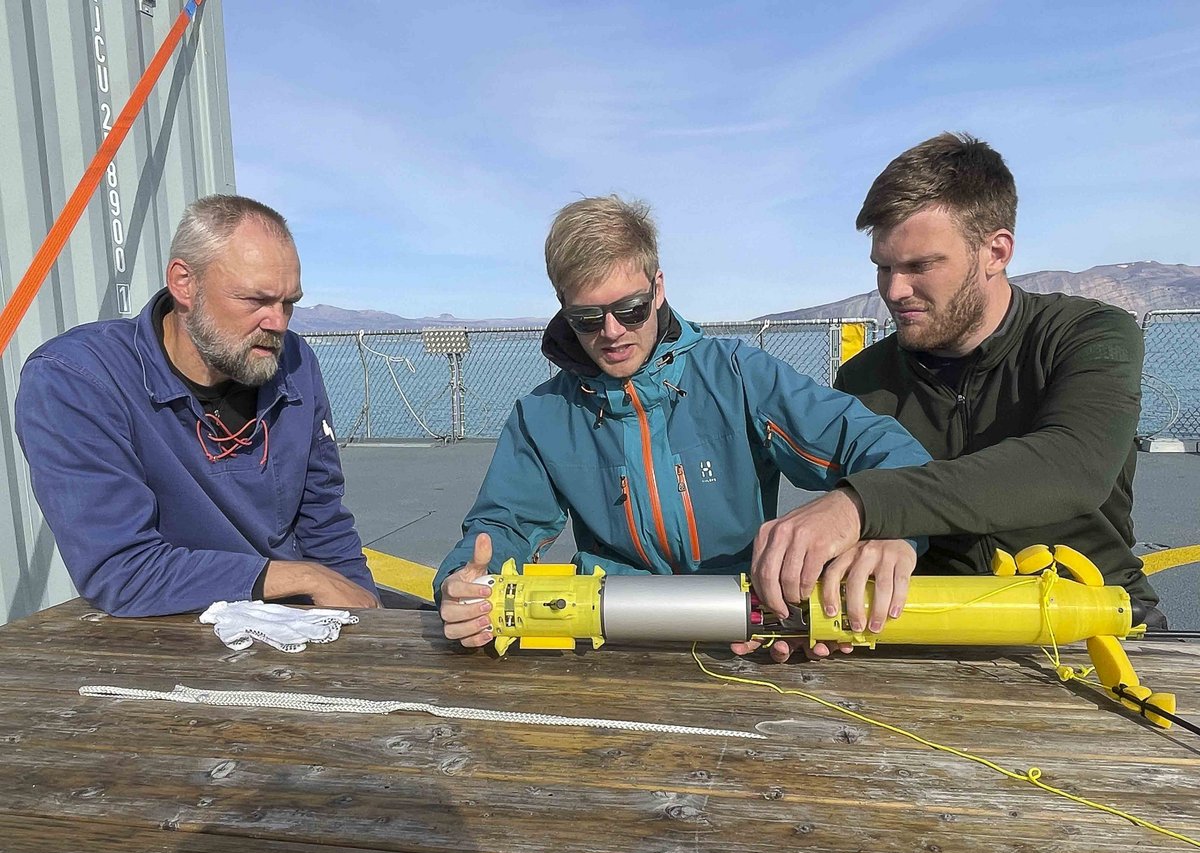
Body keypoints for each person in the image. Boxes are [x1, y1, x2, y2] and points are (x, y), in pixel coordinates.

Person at [435, 195, 933, 661]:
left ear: (658, 289)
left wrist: (866, 517)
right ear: (563, 310)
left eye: (629, 309)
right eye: (586, 319)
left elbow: (886, 449)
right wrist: (462, 583)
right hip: (615, 643)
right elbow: (501, 527)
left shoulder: (736, 375)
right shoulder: (541, 416)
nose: (611, 332)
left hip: (749, 631)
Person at [832, 132, 1165, 627]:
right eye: (883, 268)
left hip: (1096, 615)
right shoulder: (863, 378)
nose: (894, 290)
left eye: (920, 266)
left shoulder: (1087, 333)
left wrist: (865, 504)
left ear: (996, 251)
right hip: (932, 623)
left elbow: (1072, 465)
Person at [16, 195, 379, 617]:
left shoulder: (294, 362)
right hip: (169, 628)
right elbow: (120, 570)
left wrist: (371, 620)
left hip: (295, 622)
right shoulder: (75, 378)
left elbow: (324, 521)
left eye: (288, 302)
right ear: (184, 282)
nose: (278, 322)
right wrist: (302, 578)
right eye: (255, 300)